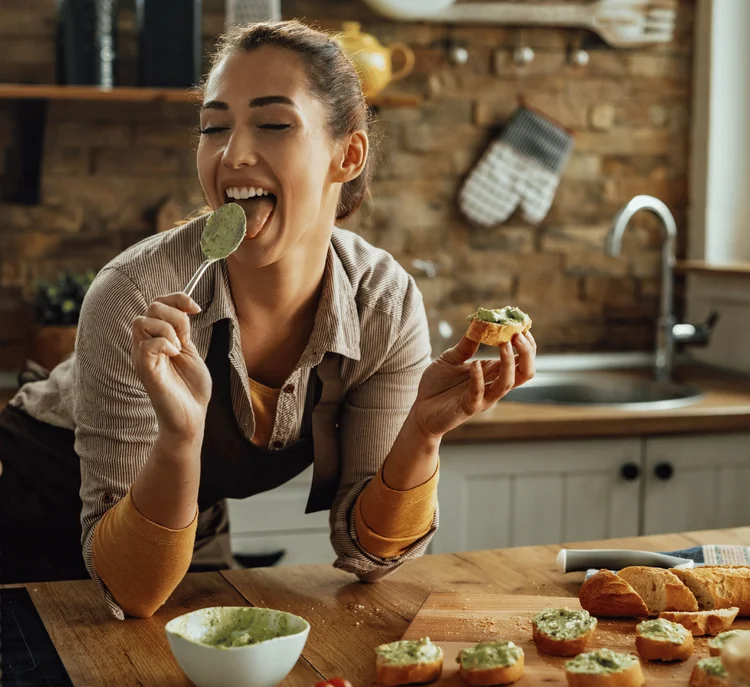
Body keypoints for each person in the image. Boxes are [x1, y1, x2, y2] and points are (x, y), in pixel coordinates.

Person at [0, 21, 536, 619]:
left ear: (347, 155)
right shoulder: (134, 294)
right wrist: (179, 439)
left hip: (188, 502)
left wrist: (422, 435)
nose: (232, 154)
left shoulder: (382, 302)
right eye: (213, 127)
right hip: (37, 498)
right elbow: (128, 590)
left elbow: (368, 555)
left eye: (274, 123)